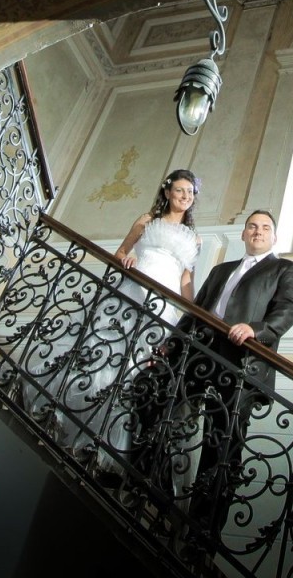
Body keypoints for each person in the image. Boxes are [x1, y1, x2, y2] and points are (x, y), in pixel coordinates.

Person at [58, 169, 202, 484]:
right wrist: (127, 259)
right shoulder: (146, 220)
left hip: (164, 304)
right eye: (180, 190)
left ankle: (115, 441)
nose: (185, 196)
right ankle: (82, 416)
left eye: (190, 192)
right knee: (109, 352)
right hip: (133, 290)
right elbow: (121, 251)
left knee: (138, 366)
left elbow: (186, 281)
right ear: (167, 192)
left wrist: (190, 315)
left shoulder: (195, 238)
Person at [178, 209, 293, 549]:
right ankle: (152, 487)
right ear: (244, 234)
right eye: (252, 226)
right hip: (200, 353)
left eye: (265, 228)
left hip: (241, 362)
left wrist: (256, 329)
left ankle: (203, 531)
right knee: (165, 407)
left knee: (221, 444)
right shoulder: (221, 270)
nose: (258, 231)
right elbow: (197, 310)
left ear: (273, 237)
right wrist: (171, 343)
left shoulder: (286, 269)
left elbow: (287, 310)